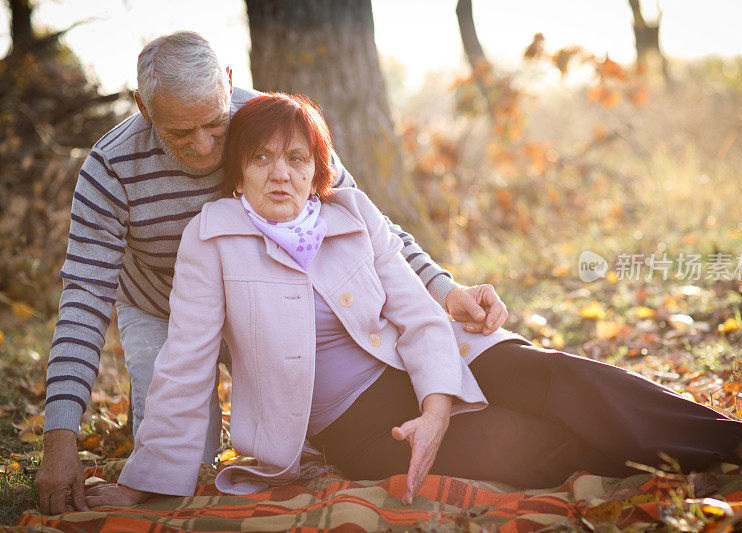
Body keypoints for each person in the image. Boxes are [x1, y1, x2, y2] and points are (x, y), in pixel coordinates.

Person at [83, 93, 742, 509]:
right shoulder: (213, 237)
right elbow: (184, 366)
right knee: (529, 440)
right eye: (262, 157)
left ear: (318, 170)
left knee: (555, 376)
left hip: (422, 363)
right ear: (237, 173)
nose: (280, 171)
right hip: (357, 420)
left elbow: (419, 312)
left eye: (296, 157)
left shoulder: (351, 213)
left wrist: (435, 401)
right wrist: (146, 485)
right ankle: (702, 469)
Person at [36, 31, 508, 515]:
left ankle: (299, 448)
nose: (203, 146)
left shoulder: (277, 127)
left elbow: (366, 224)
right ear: (142, 106)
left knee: (290, 416)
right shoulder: (110, 168)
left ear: (228, 82)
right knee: (174, 472)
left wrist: (444, 288)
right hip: (159, 305)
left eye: (215, 125)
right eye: (180, 132)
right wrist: (60, 437)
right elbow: (85, 299)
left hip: (266, 299)